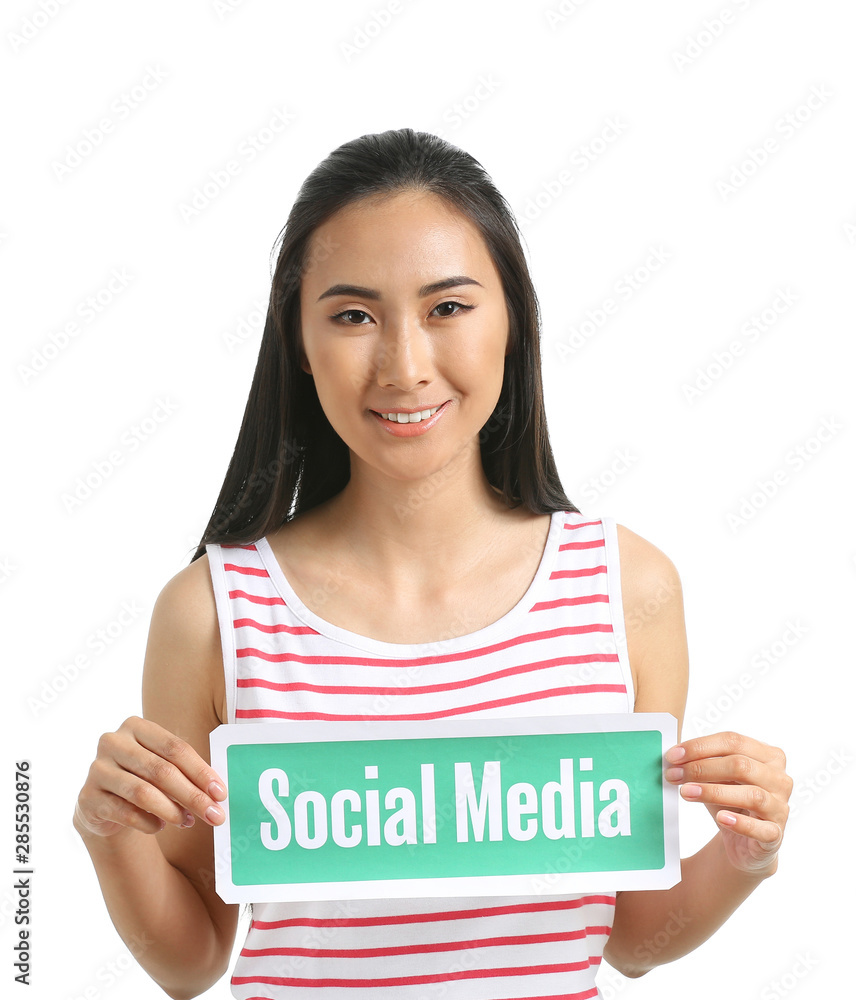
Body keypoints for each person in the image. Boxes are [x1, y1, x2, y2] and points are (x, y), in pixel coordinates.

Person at [73, 128, 792, 1000]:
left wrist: (745, 852)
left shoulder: (625, 590)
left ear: (514, 321)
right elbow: (191, 963)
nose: (405, 366)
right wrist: (111, 835)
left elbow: (630, 937)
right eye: (352, 315)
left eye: (448, 307)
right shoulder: (215, 613)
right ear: (298, 342)